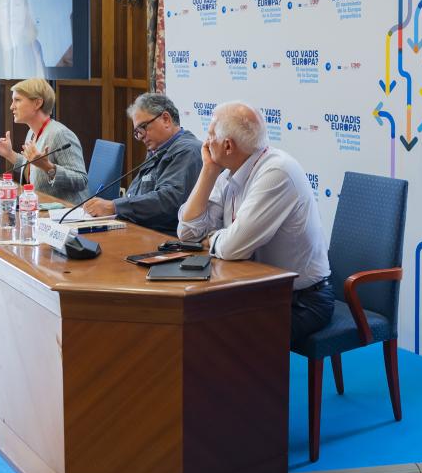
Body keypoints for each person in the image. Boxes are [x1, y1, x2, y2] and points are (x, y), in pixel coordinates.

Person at [177, 101, 333, 346]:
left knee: (220, 337)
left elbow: (231, 248)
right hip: (257, 291)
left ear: (227, 145)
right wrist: (208, 170)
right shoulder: (229, 169)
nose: (205, 144)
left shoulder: (277, 172)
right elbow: (187, 232)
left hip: (301, 300)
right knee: (195, 323)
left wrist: (211, 238)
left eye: (209, 136)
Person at [81, 93, 203, 233]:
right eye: (137, 132)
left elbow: (169, 200)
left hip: (166, 238)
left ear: (166, 119)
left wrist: (115, 207)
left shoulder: (189, 151)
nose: (140, 137)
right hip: (140, 230)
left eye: (143, 127)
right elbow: (135, 194)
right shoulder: (158, 150)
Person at [0, 77, 89, 203]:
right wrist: (10, 154)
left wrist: (48, 167)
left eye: (17, 100)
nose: (12, 107)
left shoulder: (60, 134)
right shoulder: (31, 132)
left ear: (37, 103)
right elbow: (35, 168)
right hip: (40, 210)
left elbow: (81, 180)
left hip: (67, 214)